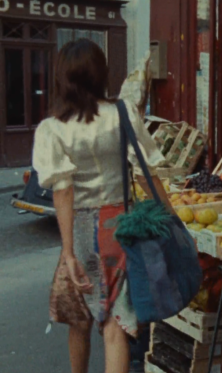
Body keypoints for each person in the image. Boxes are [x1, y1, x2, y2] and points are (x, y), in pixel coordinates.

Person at [33, 39, 172, 373]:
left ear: (62, 78)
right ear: (101, 74)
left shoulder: (52, 129)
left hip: (81, 230)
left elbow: (63, 192)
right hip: (121, 227)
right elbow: (146, 174)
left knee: (79, 319)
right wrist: (171, 218)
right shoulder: (122, 114)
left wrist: (68, 252)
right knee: (115, 324)